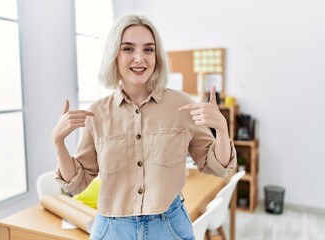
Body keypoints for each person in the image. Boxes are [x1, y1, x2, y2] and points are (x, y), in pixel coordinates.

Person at [52, 13, 236, 240]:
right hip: (111, 229)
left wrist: (221, 128)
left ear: (157, 56)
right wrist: (58, 142)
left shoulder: (183, 105)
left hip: (169, 226)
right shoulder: (97, 113)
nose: (139, 58)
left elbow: (217, 167)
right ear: (114, 55)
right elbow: (78, 184)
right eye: (128, 49)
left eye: (148, 50)